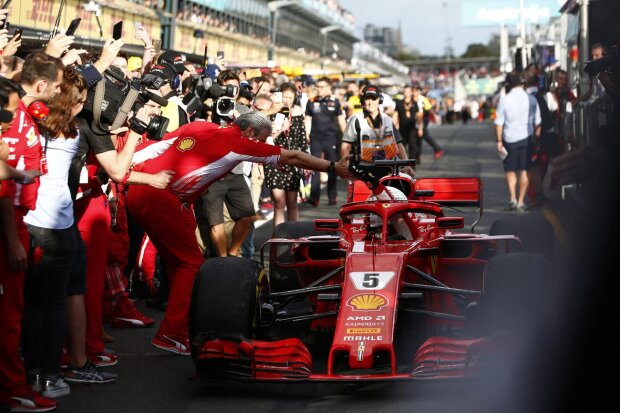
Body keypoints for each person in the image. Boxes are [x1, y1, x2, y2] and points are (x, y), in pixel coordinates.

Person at [126, 112, 355, 355]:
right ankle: (171, 334)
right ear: (250, 132)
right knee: (191, 265)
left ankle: (180, 326)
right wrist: (333, 167)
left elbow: (155, 148)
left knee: (178, 263)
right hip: (166, 198)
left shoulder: (199, 126)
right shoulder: (240, 144)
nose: (263, 146)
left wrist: (125, 173)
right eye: (262, 140)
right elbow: (294, 156)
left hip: (141, 188)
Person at [341, 84, 415, 178]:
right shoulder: (355, 120)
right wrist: (345, 166)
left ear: (380, 100)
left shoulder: (387, 119)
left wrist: (406, 164)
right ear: (362, 101)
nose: (370, 102)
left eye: (373, 99)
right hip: (363, 169)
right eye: (367, 99)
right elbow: (346, 145)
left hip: (388, 169)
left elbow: (398, 143)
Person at [495, 71, 541, 211]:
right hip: (527, 139)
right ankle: (521, 201)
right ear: (522, 83)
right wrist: (537, 140)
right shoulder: (531, 99)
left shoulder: (504, 100)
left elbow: (499, 123)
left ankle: (512, 198)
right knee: (525, 170)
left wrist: (498, 141)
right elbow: (538, 122)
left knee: (510, 170)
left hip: (509, 138)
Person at [264, 83, 308, 228]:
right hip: (275, 160)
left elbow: (302, 140)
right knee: (279, 202)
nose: (287, 100)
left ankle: (293, 239)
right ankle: (277, 238)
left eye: (290, 97)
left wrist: (306, 162)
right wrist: (280, 130)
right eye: (285, 96)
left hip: (293, 161)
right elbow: (265, 139)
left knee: (292, 202)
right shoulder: (272, 112)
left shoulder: (298, 113)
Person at [304, 76, 346, 206]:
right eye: (318, 87)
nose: (319, 89)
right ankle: (314, 197)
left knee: (332, 167)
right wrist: (307, 135)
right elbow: (307, 120)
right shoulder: (311, 101)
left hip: (331, 139)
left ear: (329, 88)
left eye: (322, 87)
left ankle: (332, 197)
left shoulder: (335, 102)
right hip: (315, 138)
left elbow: (341, 121)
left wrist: (347, 137)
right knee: (315, 166)